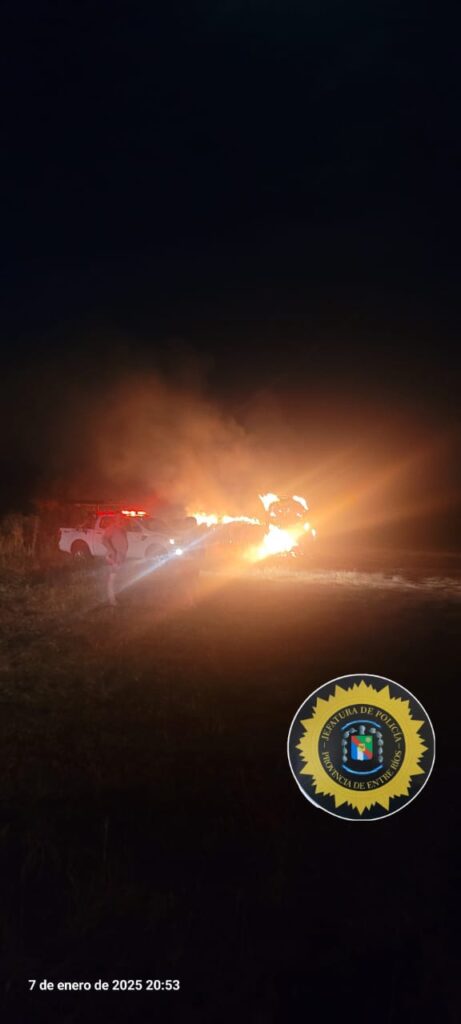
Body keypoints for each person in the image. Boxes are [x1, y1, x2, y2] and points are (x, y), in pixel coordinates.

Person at [102, 513, 128, 607]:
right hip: (114, 558)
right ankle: (112, 601)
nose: (120, 520)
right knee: (112, 579)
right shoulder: (111, 528)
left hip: (120, 558)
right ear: (115, 519)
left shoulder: (122, 529)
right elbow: (104, 540)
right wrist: (112, 551)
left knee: (117, 579)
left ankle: (115, 598)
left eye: (121, 518)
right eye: (118, 518)